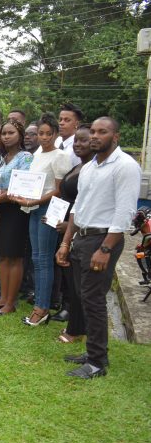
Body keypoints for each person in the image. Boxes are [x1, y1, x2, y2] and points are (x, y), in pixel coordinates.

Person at [56, 117, 141, 379]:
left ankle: (96, 362)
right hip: (82, 237)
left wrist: (105, 249)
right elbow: (78, 207)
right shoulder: (91, 166)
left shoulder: (125, 166)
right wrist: (66, 242)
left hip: (103, 240)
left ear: (115, 136)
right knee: (84, 298)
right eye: (92, 131)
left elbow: (125, 212)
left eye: (102, 132)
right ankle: (94, 353)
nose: (94, 136)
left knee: (93, 300)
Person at [10, 113, 71, 326]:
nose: (44, 138)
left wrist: (31, 201)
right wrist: (20, 196)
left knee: (44, 259)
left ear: (55, 134)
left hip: (48, 208)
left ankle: (42, 308)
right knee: (36, 258)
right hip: (33, 207)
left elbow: (59, 189)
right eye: (41, 133)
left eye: (48, 134)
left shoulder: (60, 156)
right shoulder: (36, 154)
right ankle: (41, 302)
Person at [0, 121, 34, 314]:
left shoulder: (25, 157)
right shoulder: (3, 158)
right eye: (4, 133)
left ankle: (11, 302)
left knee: (14, 257)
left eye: (10, 133)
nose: (6, 136)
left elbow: (19, 187)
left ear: (20, 135)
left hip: (16, 211)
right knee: (3, 256)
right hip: (1, 210)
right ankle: (3, 297)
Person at [51, 125, 92, 342]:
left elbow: (84, 203)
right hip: (64, 225)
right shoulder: (78, 167)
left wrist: (70, 225)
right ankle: (73, 321)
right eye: (76, 141)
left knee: (79, 283)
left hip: (77, 228)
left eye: (83, 141)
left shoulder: (91, 169)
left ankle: (77, 328)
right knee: (69, 277)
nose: (78, 144)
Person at [55, 102, 84, 167]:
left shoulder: (77, 148)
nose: (61, 123)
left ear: (76, 124)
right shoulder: (56, 141)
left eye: (67, 120)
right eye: (60, 119)